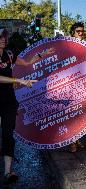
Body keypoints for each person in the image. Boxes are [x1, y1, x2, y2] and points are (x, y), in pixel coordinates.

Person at [0, 28, 49, 185]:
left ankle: (8, 172)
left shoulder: (8, 54)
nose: (3, 39)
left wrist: (43, 54)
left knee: (8, 135)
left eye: (4, 37)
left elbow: (27, 62)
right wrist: (19, 81)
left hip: (8, 101)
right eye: (0, 37)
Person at [68, 22, 85, 152]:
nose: (81, 33)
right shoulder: (68, 46)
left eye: (82, 31)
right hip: (70, 86)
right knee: (72, 115)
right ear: (72, 33)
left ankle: (77, 139)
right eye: (78, 31)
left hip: (83, 84)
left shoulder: (85, 45)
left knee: (80, 114)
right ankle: (72, 143)